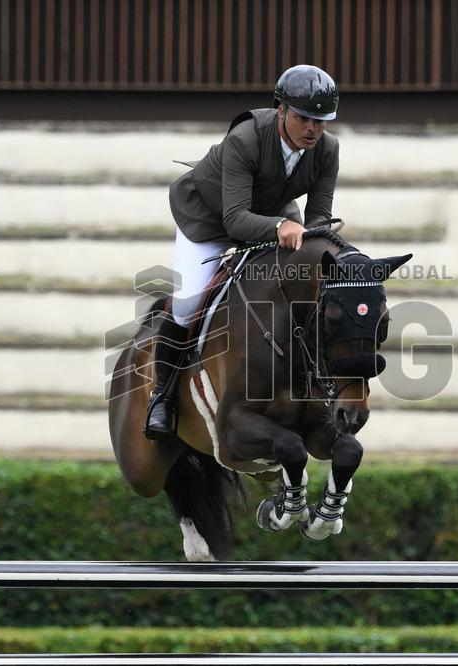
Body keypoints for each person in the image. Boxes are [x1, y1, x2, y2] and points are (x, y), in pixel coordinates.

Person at [145, 64, 340, 438]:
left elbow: (318, 220)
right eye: (304, 118)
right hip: (208, 219)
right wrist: (281, 226)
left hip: (270, 217)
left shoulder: (327, 149)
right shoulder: (246, 138)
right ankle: (162, 396)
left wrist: (327, 247)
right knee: (187, 304)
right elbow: (234, 219)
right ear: (281, 110)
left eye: (321, 120)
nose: (313, 129)